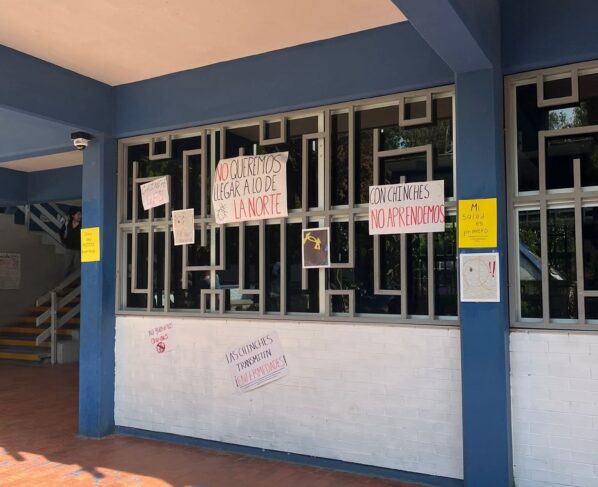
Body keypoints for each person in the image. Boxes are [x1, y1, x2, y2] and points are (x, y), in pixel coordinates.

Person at [60, 208, 82, 276]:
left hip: (78, 250)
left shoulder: (82, 225)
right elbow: (61, 232)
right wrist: (64, 241)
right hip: (69, 249)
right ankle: (66, 280)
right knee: (66, 267)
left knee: (77, 267)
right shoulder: (67, 224)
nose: (80, 216)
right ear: (73, 215)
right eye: (78, 214)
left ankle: (78, 282)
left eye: (80, 214)